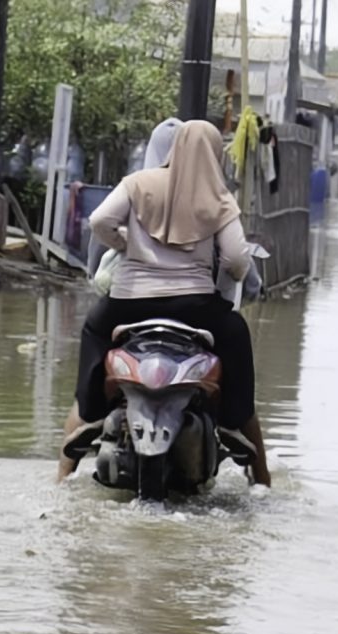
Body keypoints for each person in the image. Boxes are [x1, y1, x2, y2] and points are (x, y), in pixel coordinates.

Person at [57, 120, 271, 487]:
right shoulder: (219, 196)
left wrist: (127, 246)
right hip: (195, 306)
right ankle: (239, 431)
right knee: (235, 333)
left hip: (128, 303)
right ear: (216, 154)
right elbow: (237, 260)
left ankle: (81, 436)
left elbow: (99, 221)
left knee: (94, 329)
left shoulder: (137, 183)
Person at [88, 119, 182, 277]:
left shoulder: (135, 185)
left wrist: (126, 242)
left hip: (133, 286)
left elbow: (99, 222)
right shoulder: (200, 193)